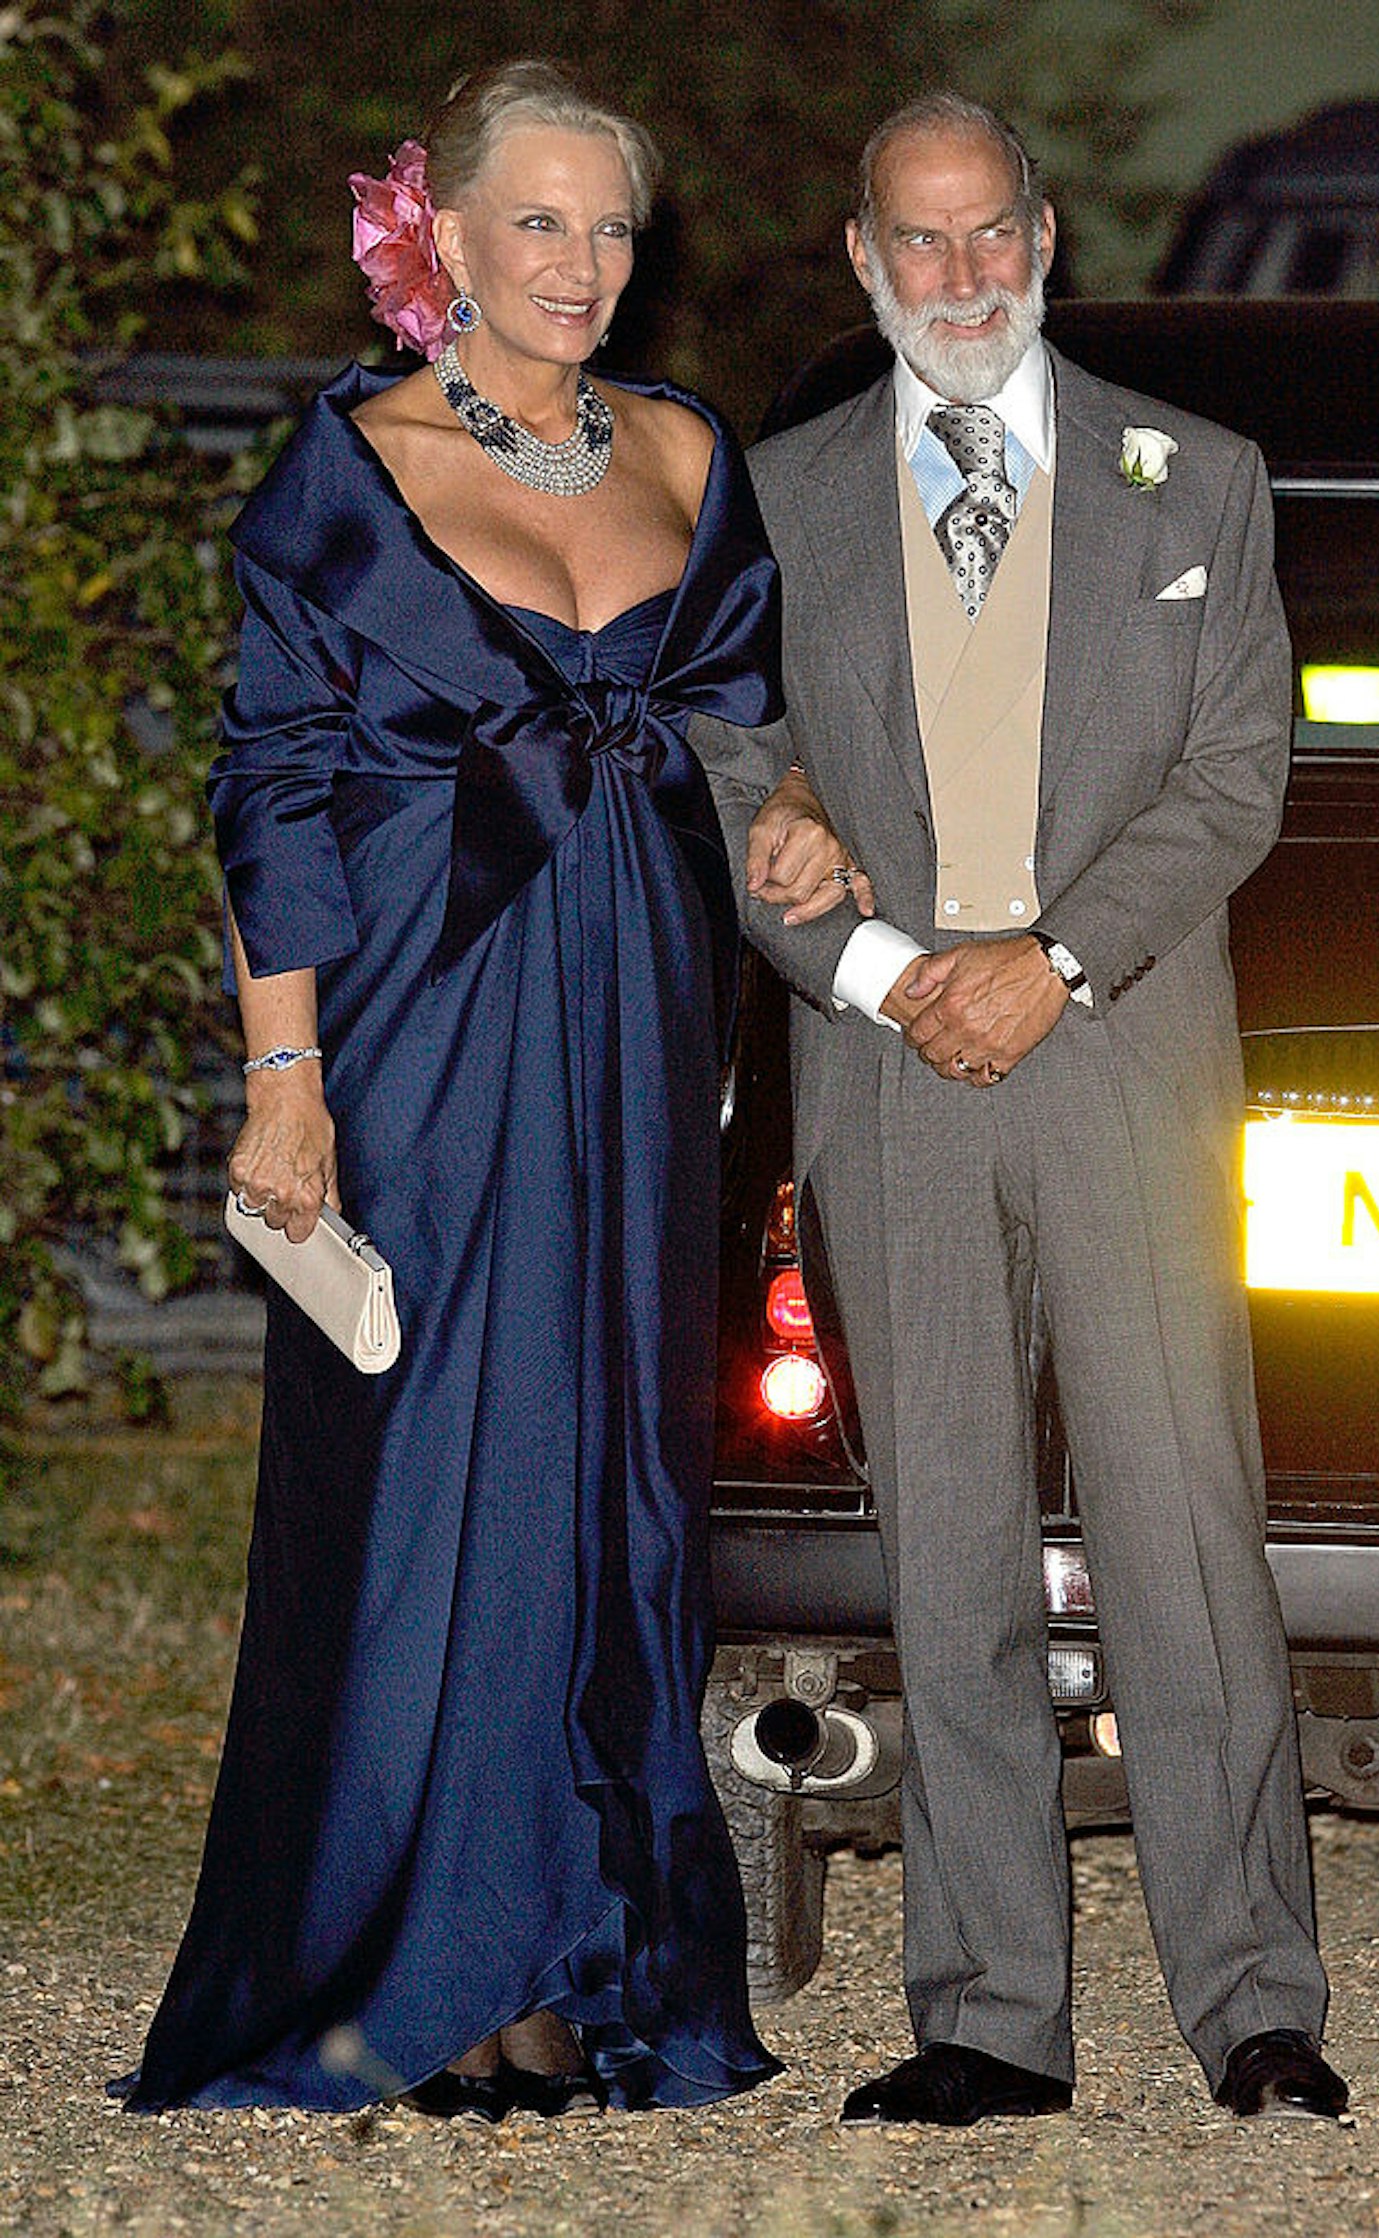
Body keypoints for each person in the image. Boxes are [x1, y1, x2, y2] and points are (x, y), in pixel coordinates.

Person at [119, 59, 846, 2120]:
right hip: (418, 1010)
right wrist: (287, 1082)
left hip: (632, 1006)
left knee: (616, 1464)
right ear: (438, 233)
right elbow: (271, 790)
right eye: (538, 221)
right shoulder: (348, 464)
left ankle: (577, 1951)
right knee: (431, 1466)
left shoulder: (696, 454)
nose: (583, 266)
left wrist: (798, 826)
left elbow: (740, 738)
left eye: (611, 228)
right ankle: (401, 1966)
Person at [692, 92, 1349, 2127]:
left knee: (1186, 1537)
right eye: (923, 244)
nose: (964, 277)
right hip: (887, 1071)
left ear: (1042, 241)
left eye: (995, 239)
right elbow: (728, 766)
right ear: (870, 267)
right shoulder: (777, 499)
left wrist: (1047, 963)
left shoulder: (1197, 480)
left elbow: (1241, 769)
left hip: (1121, 1051)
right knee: (947, 1550)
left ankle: (1255, 1997)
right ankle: (985, 2016)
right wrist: (884, 969)